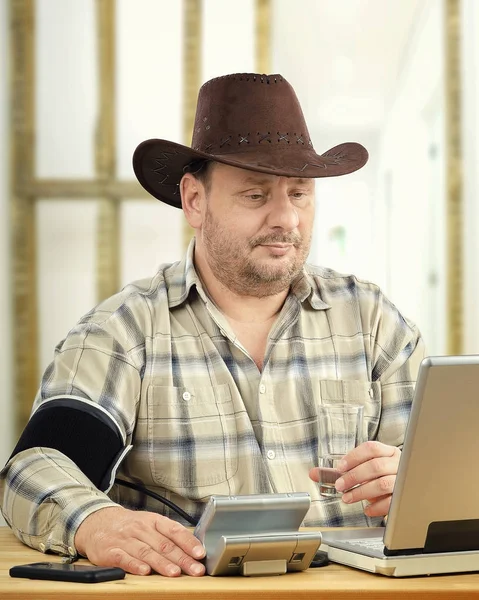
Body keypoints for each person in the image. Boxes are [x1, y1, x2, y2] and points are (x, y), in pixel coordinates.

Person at [0, 72, 424, 578]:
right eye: (255, 195)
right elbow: (33, 467)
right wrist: (95, 521)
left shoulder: (373, 322)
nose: (286, 218)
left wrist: (418, 484)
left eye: (299, 193)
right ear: (194, 201)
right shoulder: (123, 332)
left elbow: (449, 472)